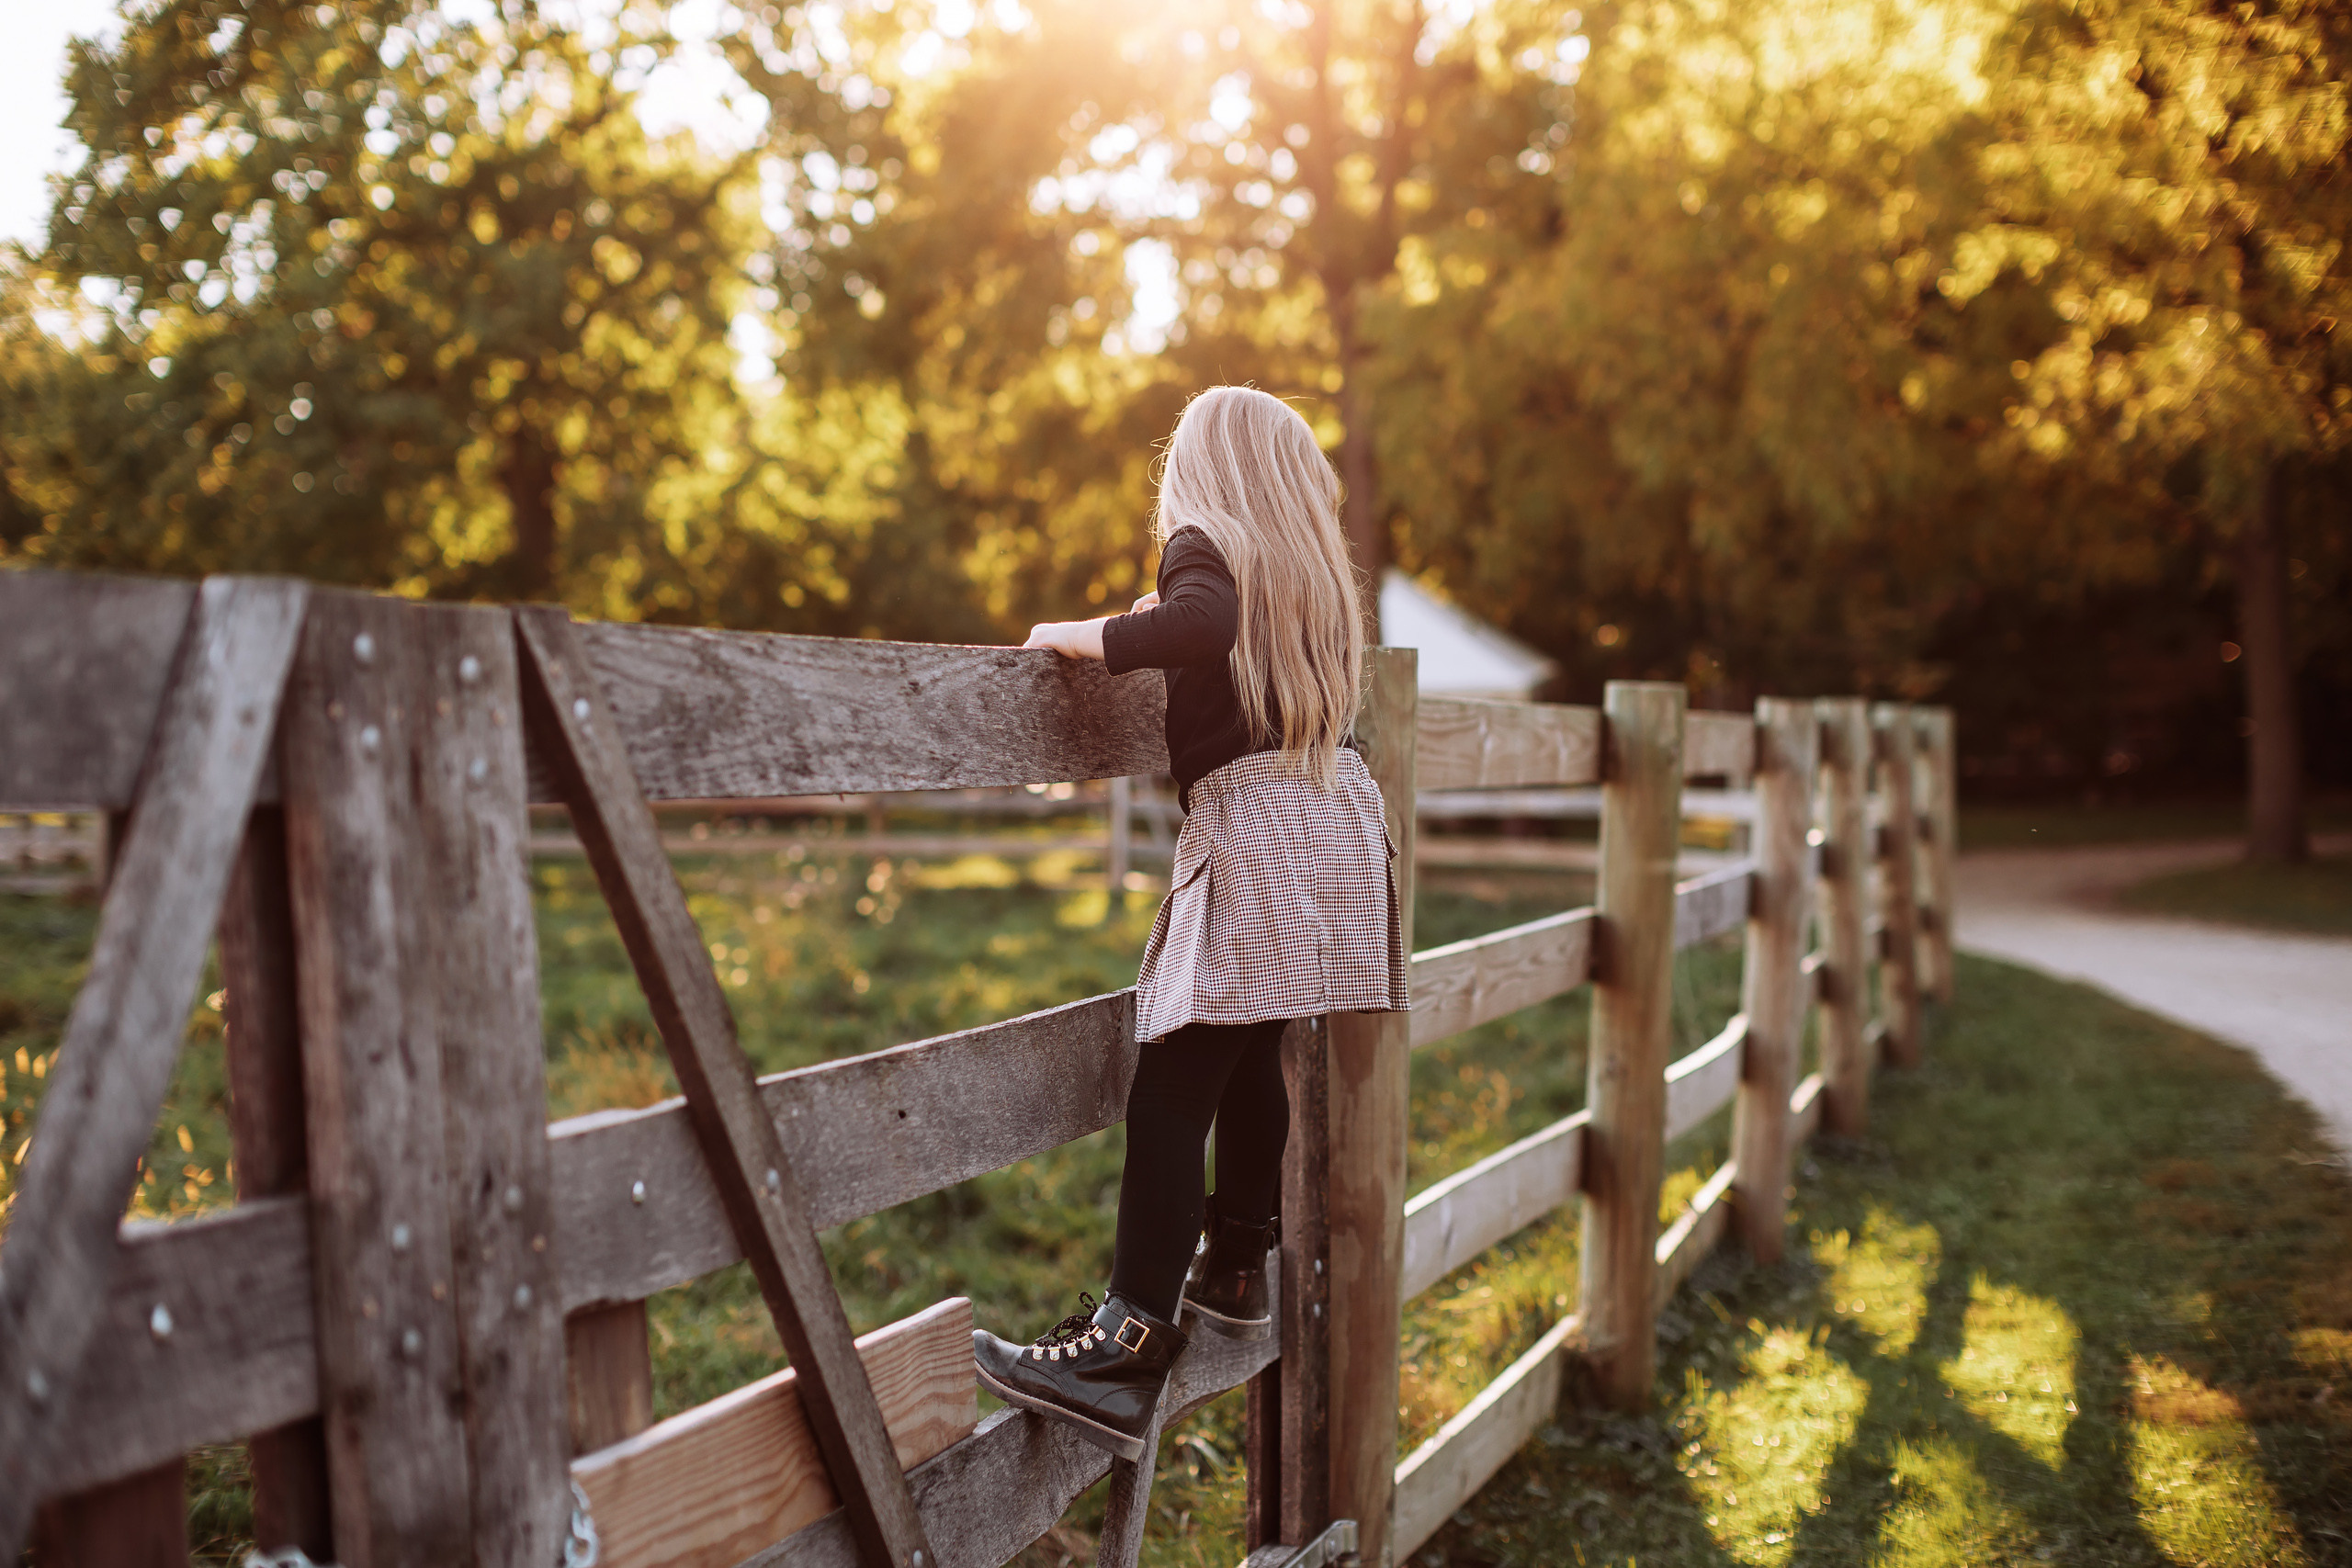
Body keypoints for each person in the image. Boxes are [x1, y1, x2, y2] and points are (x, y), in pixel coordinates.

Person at [971, 386, 1409, 1462]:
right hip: (1333, 819)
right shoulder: (1308, 575)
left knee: (1171, 1081)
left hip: (1257, 827)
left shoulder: (1206, 546)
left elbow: (1197, 624)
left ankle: (1124, 1346)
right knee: (1252, 1043)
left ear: (1202, 469)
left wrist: (1071, 636)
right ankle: (1237, 1267)